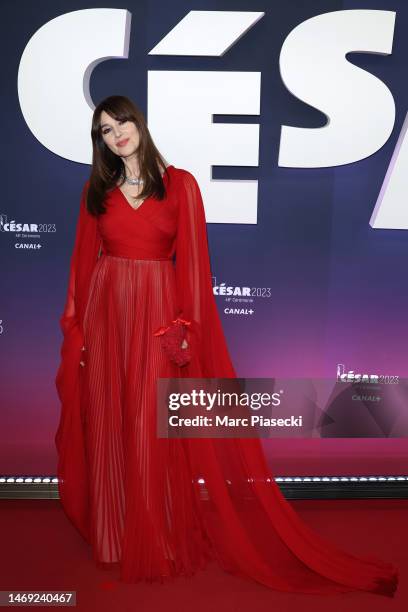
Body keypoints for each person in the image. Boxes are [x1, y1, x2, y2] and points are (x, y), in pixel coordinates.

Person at [55, 95, 398, 597]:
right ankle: (113, 538)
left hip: (154, 317)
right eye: (105, 130)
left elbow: (193, 265)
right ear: (100, 142)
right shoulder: (95, 191)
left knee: (151, 424)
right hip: (106, 319)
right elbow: (81, 268)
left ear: (139, 124)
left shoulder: (181, 186)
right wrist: (79, 330)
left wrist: (185, 325)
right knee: (111, 421)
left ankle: (160, 536)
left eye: (122, 122)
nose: (116, 134)